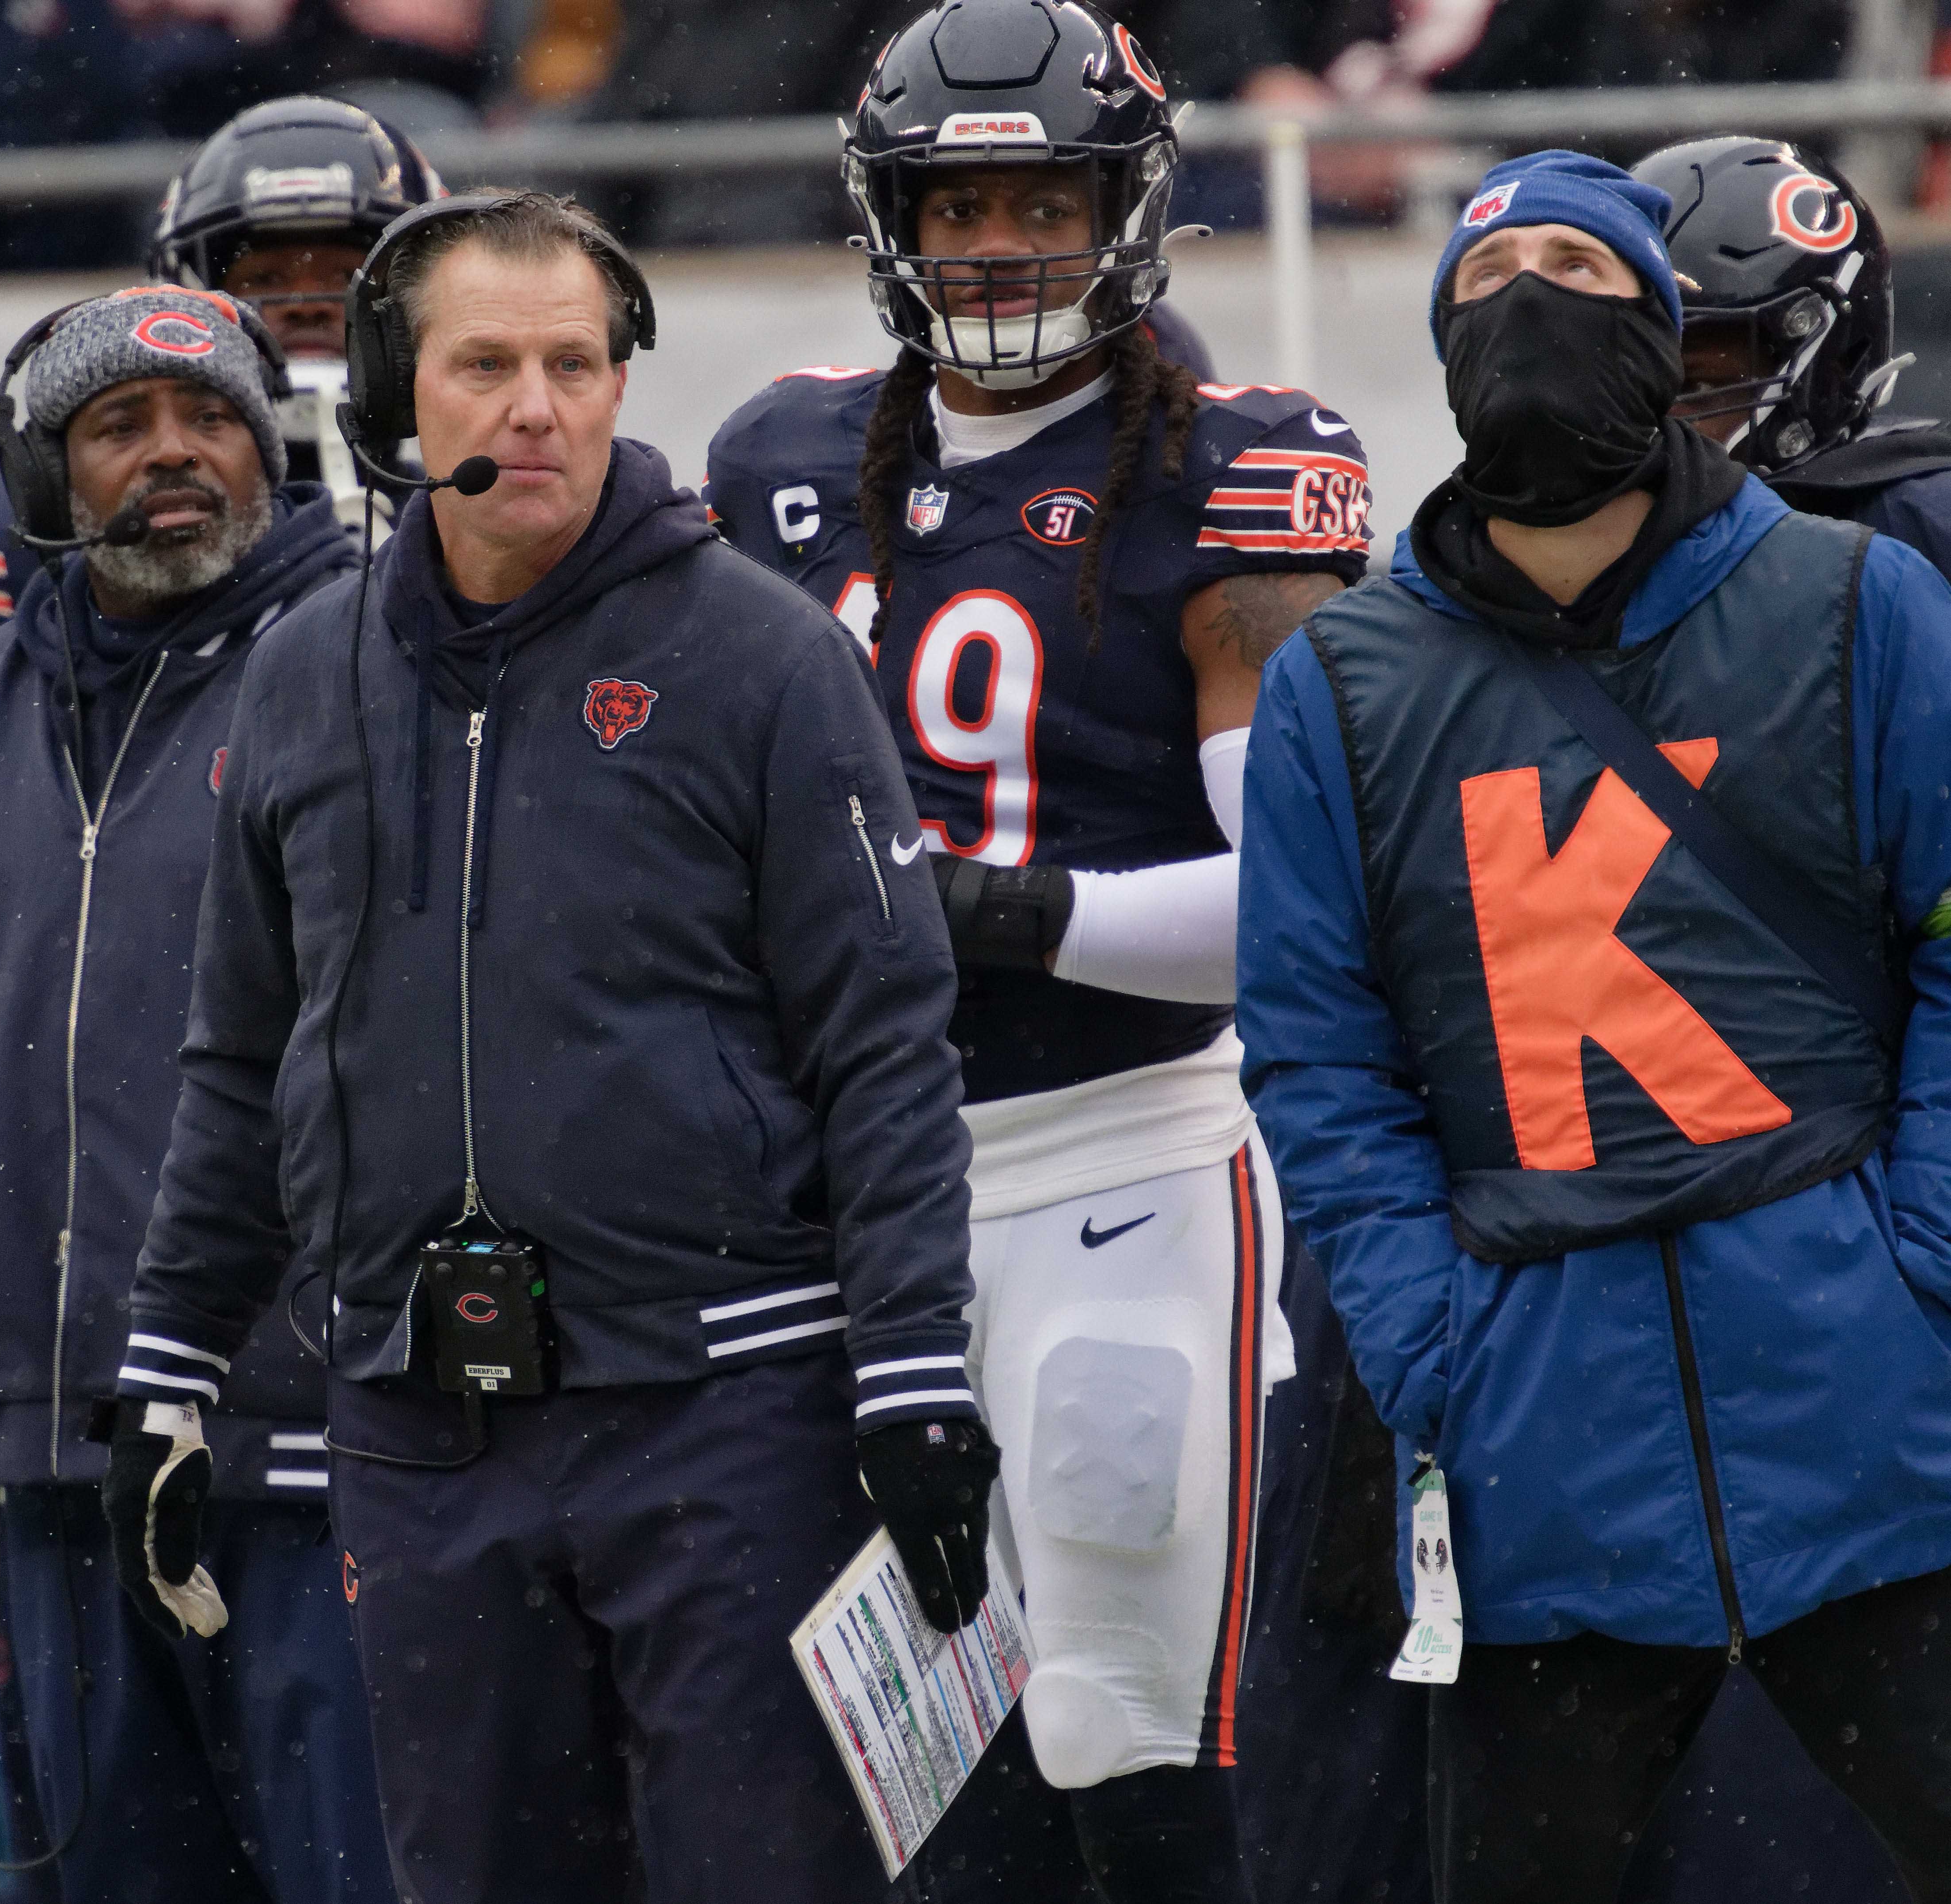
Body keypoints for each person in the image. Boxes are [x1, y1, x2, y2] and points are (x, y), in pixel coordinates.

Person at [105, 186, 994, 1904]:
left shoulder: (763, 656)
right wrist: (167, 1362)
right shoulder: (300, 675)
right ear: (386, 397)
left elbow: (883, 1045)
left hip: (723, 1402)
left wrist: (910, 1366)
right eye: (487, 363)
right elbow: (240, 1050)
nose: (536, 406)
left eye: (574, 363)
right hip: (418, 1429)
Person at [702, 4, 1363, 1895]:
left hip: (1121, 1157)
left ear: (1126, 203)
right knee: (904, 1759)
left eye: (1042, 196)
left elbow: (1295, 900)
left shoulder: (1233, 462)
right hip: (849, 1184)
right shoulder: (782, 454)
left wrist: (993, 908)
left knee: (1123, 1725)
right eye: (957, 198)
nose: (996, 244)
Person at [1240, 150, 1951, 1904]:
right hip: (1542, 1454)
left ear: (1658, 323)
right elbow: (1317, 1063)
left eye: (1575, 264)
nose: (1530, 305)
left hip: (1860, 1419)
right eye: (1487, 279)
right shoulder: (1336, 685)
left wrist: (1916, 1266)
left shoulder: (1855, 605)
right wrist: (1436, 1349)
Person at [0, 283, 389, 1901]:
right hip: (46, 1466)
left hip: (311, 1450)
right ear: (41, 470)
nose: (173, 451)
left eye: (207, 415)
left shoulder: (369, 663)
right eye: (118, 424)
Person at [0, 98, 448, 680]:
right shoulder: (27, 512)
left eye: (343, 277)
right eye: (264, 279)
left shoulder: (480, 479)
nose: (303, 305)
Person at [1635, 138, 1951, 572]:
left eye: (1695, 384)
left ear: (1832, 370)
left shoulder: (1917, 526)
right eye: (1626, 378)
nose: (1647, 422)